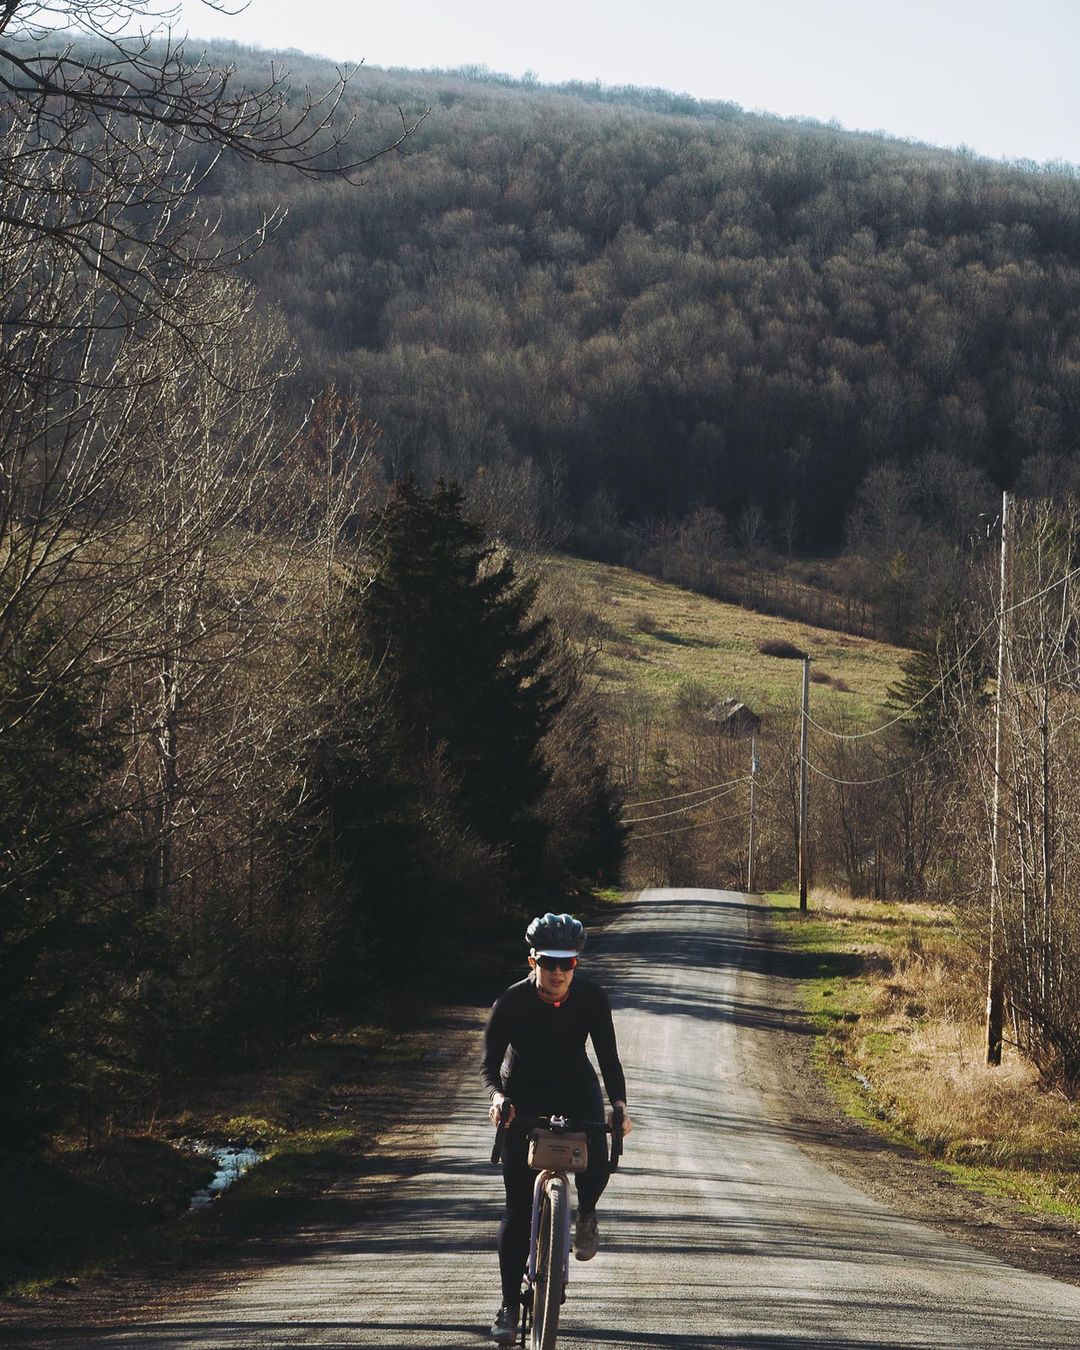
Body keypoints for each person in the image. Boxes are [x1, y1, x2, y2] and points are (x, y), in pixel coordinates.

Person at [482, 911, 632, 1345]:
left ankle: (586, 1213)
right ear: (533, 962)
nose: (558, 972)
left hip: (575, 1088)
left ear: (575, 965)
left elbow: (609, 1059)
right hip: (523, 1093)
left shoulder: (591, 999)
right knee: (516, 1208)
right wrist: (498, 1098)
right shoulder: (511, 1002)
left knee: (598, 1157)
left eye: (566, 964)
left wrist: (619, 1106)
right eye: (549, 963)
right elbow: (489, 1065)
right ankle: (509, 1305)